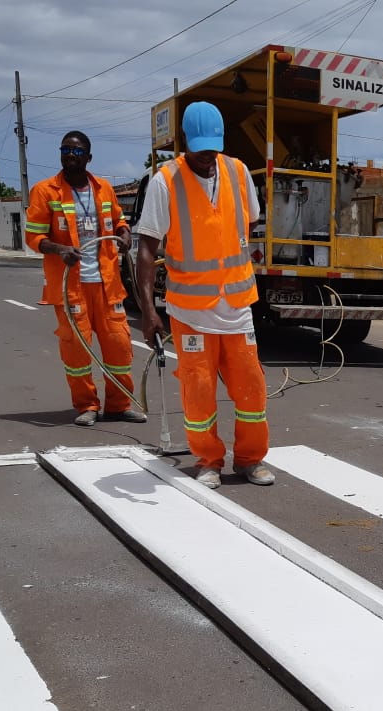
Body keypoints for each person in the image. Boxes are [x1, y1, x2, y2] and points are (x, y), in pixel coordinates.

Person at [135, 101, 274, 489]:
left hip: (237, 307)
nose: (207, 156)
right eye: (199, 149)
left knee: (251, 390)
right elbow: (146, 249)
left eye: (213, 148)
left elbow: (246, 224)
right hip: (191, 310)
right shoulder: (165, 181)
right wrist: (148, 310)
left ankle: (250, 459)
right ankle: (208, 460)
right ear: (184, 143)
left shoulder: (238, 172)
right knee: (198, 394)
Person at [25, 131, 146, 427]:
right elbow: (34, 236)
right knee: (77, 351)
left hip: (107, 285)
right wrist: (59, 249)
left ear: (89, 157)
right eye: (66, 149)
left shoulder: (103, 188)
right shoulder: (45, 191)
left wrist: (124, 234)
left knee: (118, 347)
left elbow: (118, 221)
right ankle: (87, 405)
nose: (71, 155)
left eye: (77, 151)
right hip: (70, 287)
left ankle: (118, 406)